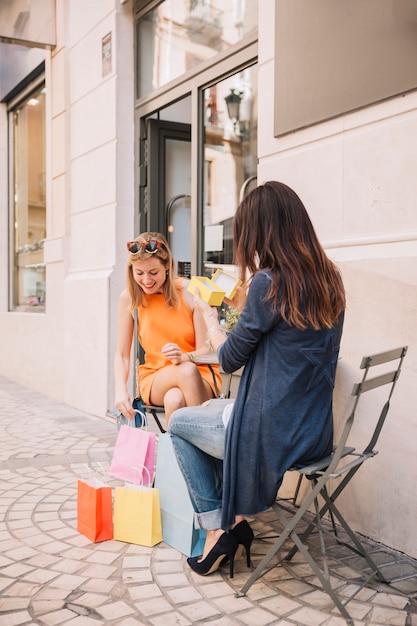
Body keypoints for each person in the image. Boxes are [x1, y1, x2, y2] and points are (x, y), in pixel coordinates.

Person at [168, 181, 346, 578]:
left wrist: (211, 316)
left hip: (273, 434)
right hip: (315, 431)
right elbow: (285, 344)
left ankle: (219, 529)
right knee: (214, 409)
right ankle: (233, 520)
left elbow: (229, 359)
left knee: (180, 424)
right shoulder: (329, 278)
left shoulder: (269, 282)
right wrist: (245, 308)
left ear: (262, 232)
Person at [114, 232, 222, 423]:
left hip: (199, 375)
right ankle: (206, 439)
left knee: (174, 399)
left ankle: (178, 452)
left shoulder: (189, 291)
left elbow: (206, 350)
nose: (146, 280)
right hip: (155, 377)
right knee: (185, 372)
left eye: (153, 273)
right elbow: (122, 355)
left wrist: (183, 357)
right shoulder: (129, 298)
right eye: (139, 273)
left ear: (167, 266)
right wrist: (120, 390)